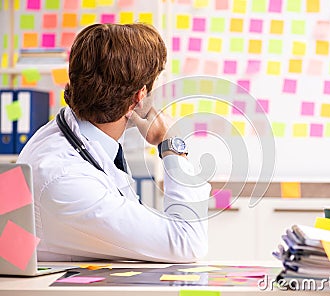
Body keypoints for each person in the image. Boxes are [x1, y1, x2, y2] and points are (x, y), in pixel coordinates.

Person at [17, 23, 210, 262]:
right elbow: (187, 242)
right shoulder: (64, 177)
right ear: (140, 97)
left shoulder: (65, 136)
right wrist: (171, 144)